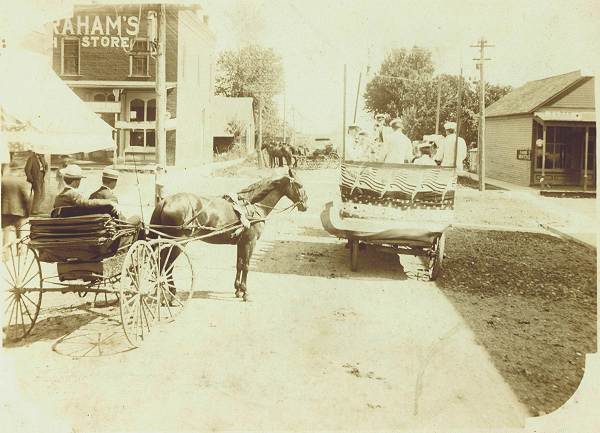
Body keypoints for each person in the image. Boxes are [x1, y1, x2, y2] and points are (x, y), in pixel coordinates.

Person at [53, 164, 117, 212]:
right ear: (75, 181)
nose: (79, 182)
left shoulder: (59, 195)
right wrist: (108, 202)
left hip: (63, 222)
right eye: (79, 180)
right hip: (73, 223)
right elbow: (87, 203)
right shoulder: (72, 194)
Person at [2, 162, 31, 251]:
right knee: (19, 233)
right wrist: (27, 212)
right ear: (17, 170)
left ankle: (5, 253)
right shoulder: (21, 181)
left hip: (4, 211)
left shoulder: (3, 180)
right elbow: (26, 198)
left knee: (6, 232)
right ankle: (19, 251)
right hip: (18, 211)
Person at [24, 147, 48, 215]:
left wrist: (45, 166)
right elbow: (27, 170)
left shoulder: (42, 158)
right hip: (35, 178)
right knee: (38, 193)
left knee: (43, 194)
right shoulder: (31, 158)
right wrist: (31, 179)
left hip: (41, 177)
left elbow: (45, 166)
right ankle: (34, 210)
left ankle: (37, 209)